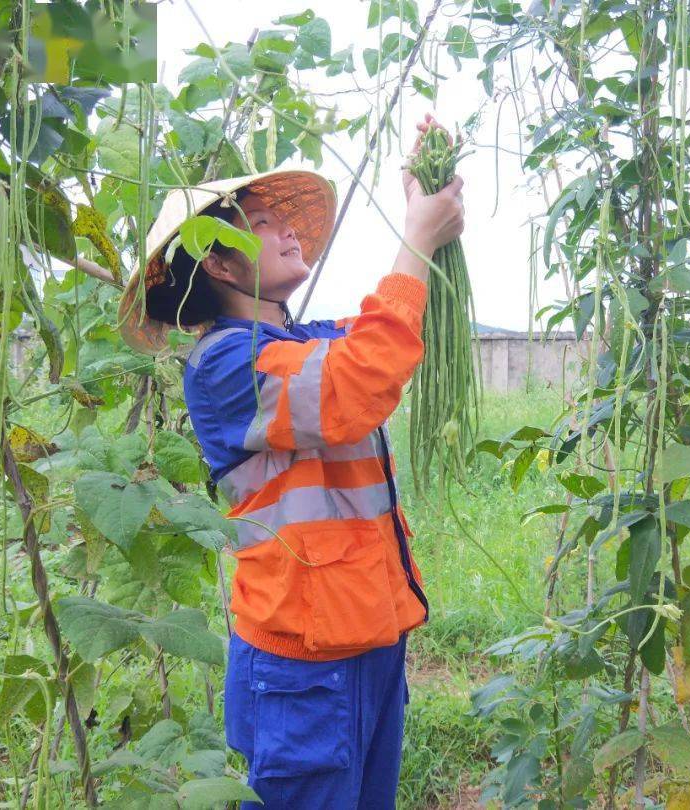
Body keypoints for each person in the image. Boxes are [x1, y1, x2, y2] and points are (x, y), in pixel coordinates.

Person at [117, 115, 465, 809]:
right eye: (262, 223)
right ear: (220, 264)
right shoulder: (224, 366)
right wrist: (416, 238)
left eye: (283, 219)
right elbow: (358, 380)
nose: (287, 231)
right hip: (301, 671)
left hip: (370, 642)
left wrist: (427, 210)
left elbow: (390, 333)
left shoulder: (308, 340)